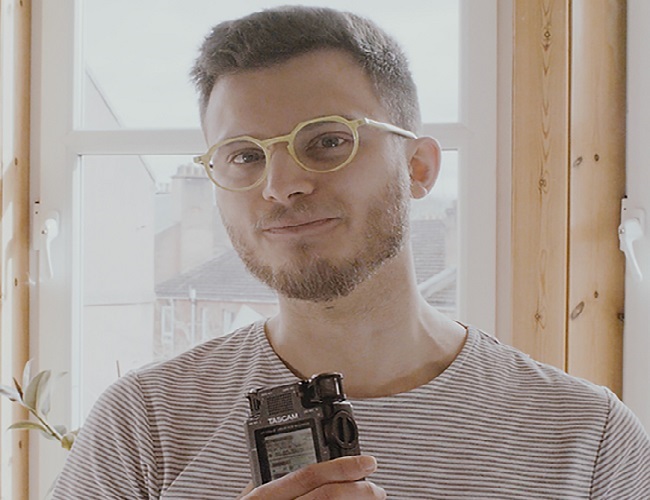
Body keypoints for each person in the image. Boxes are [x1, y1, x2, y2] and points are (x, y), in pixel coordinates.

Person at [52, 6, 649, 499]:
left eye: (328, 141)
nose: (282, 184)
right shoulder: (144, 427)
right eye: (244, 155)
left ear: (418, 167)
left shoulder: (586, 440)